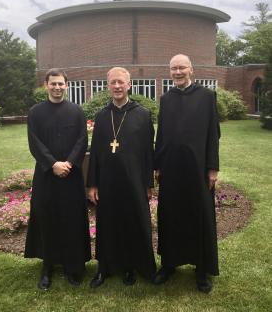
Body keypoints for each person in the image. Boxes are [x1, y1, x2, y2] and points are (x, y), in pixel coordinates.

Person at [154, 54, 220, 293]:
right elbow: (161, 135)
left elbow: (214, 134)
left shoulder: (206, 97)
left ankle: (201, 270)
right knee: (170, 215)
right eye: (173, 68)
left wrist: (212, 167)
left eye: (182, 67)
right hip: (171, 168)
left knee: (198, 215)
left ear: (191, 69)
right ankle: (169, 264)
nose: (178, 72)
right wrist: (157, 165)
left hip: (198, 169)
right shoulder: (166, 99)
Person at [87, 67, 156, 288]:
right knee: (107, 224)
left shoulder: (143, 115)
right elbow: (95, 152)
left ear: (129, 85)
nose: (117, 86)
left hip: (134, 181)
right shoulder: (101, 116)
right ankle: (104, 268)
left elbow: (148, 153)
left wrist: (148, 183)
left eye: (121, 82)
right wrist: (92, 184)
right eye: (113, 83)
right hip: (107, 181)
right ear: (108, 86)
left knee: (132, 222)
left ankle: (130, 266)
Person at [25, 68, 91, 290]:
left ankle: (73, 266)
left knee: (71, 219)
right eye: (53, 84)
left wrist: (69, 163)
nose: (57, 87)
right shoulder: (35, 112)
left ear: (67, 85)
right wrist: (53, 164)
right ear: (46, 85)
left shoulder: (76, 111)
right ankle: (48, 267)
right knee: (47, 218)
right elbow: (34, 143)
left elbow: (82, 140)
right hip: (46, 176)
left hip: (71, 177)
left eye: (61, 84)